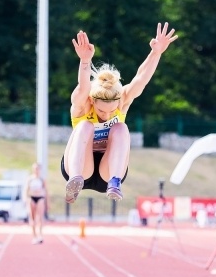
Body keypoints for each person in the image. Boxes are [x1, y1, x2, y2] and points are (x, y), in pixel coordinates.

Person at [62, 23, 178, 204]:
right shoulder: (83, 103)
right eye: (101, 110)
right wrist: (85, 61)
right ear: (93, 101)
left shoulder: (122, 100)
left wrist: (156, 53)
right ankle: (74, 182)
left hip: (107, 172)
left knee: (121, 128)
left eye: (111, 110)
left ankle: (115, 183)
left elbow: (140, 80)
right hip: (81, 167)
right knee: (85, 125)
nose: (107, 115)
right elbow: (83, 87)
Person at [25, 162, 48, 244]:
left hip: (40, 198)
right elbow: (26, 190)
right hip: (31, 198)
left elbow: (46, 191)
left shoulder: (42, 179)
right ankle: (34, 236)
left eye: (37, 169)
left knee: (40, 217)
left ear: (40, 170)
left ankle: (40, 235)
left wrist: (47, 202)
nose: (36, 170)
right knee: (33, 218)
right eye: (35, 169)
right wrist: (26, 200)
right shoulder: (30, 179)